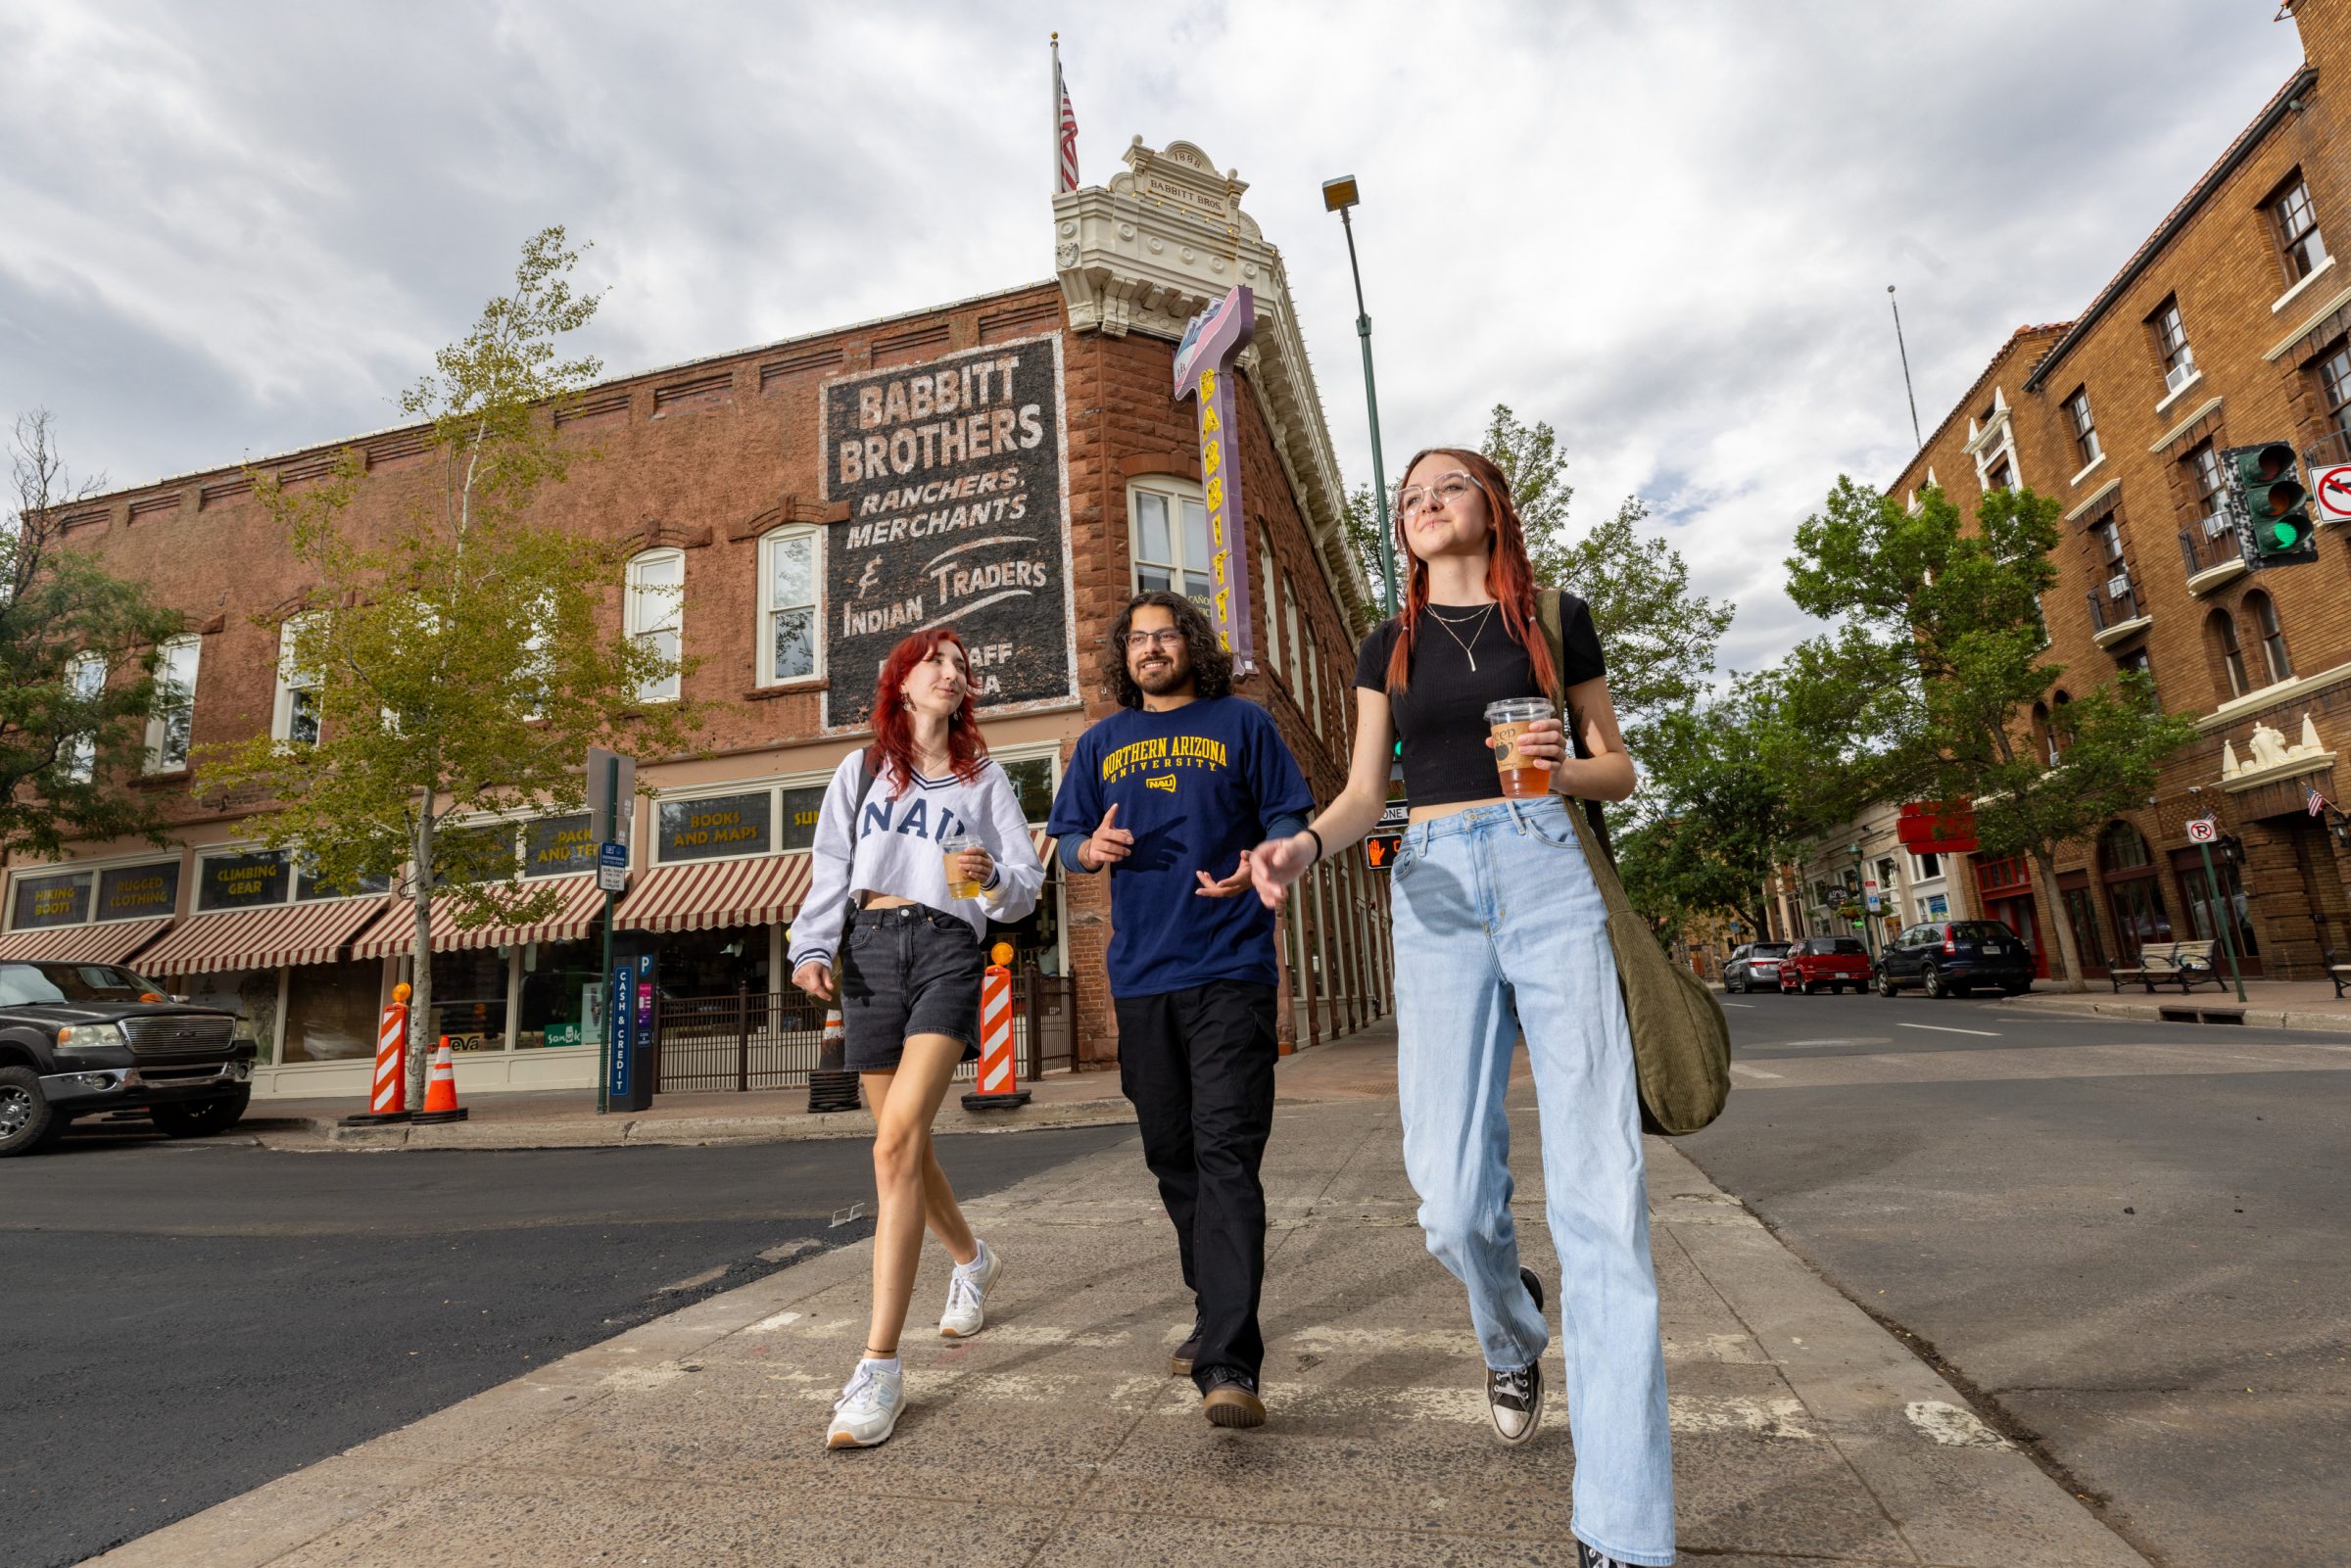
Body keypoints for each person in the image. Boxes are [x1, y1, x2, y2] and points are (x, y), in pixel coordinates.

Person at [1248, 450, 1674, 1568]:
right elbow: (1363, 794)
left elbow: (1617, 765)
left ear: (1491, 505)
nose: (1423, 502)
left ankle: (1623, 1531)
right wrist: (1298, 846)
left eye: (1445, 485)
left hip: (1548, 869)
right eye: (1408, 496)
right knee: (1446, 1201)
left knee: (1603, 1197)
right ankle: (1512, 1325)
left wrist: (1560, 769)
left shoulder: (1556, 618)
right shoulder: (1385, 644)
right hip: (1432, 881)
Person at [1045, 590, 1315, 1430]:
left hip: (1231, 965)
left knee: (1225, 1150)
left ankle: (1231, 1361)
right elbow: (1067, 838)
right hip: (1141, 976)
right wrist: (1090, 847)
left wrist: (1264, 857)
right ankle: (1213, 1305)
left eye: (1165, 635)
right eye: (1137, 638)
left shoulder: (1243, 724)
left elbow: (1288, 815)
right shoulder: (1100, 743)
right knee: (1173, 1152)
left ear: (1191, 645)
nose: (1151, 648)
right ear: (1123, 657)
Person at [788, 628, 1044, 1450]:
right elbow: (831, 865)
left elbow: (1024, 887)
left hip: (944, 949)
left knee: (895, 1141)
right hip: (867, 951)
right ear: (901, 682)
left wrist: (994, 877)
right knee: (905, 1145)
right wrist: (813, 947)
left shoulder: (982, 777)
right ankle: (971, 1260)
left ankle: (879, 1364)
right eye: (934, 659)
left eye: (961, 663)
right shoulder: (861, 770)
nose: (951, 670)